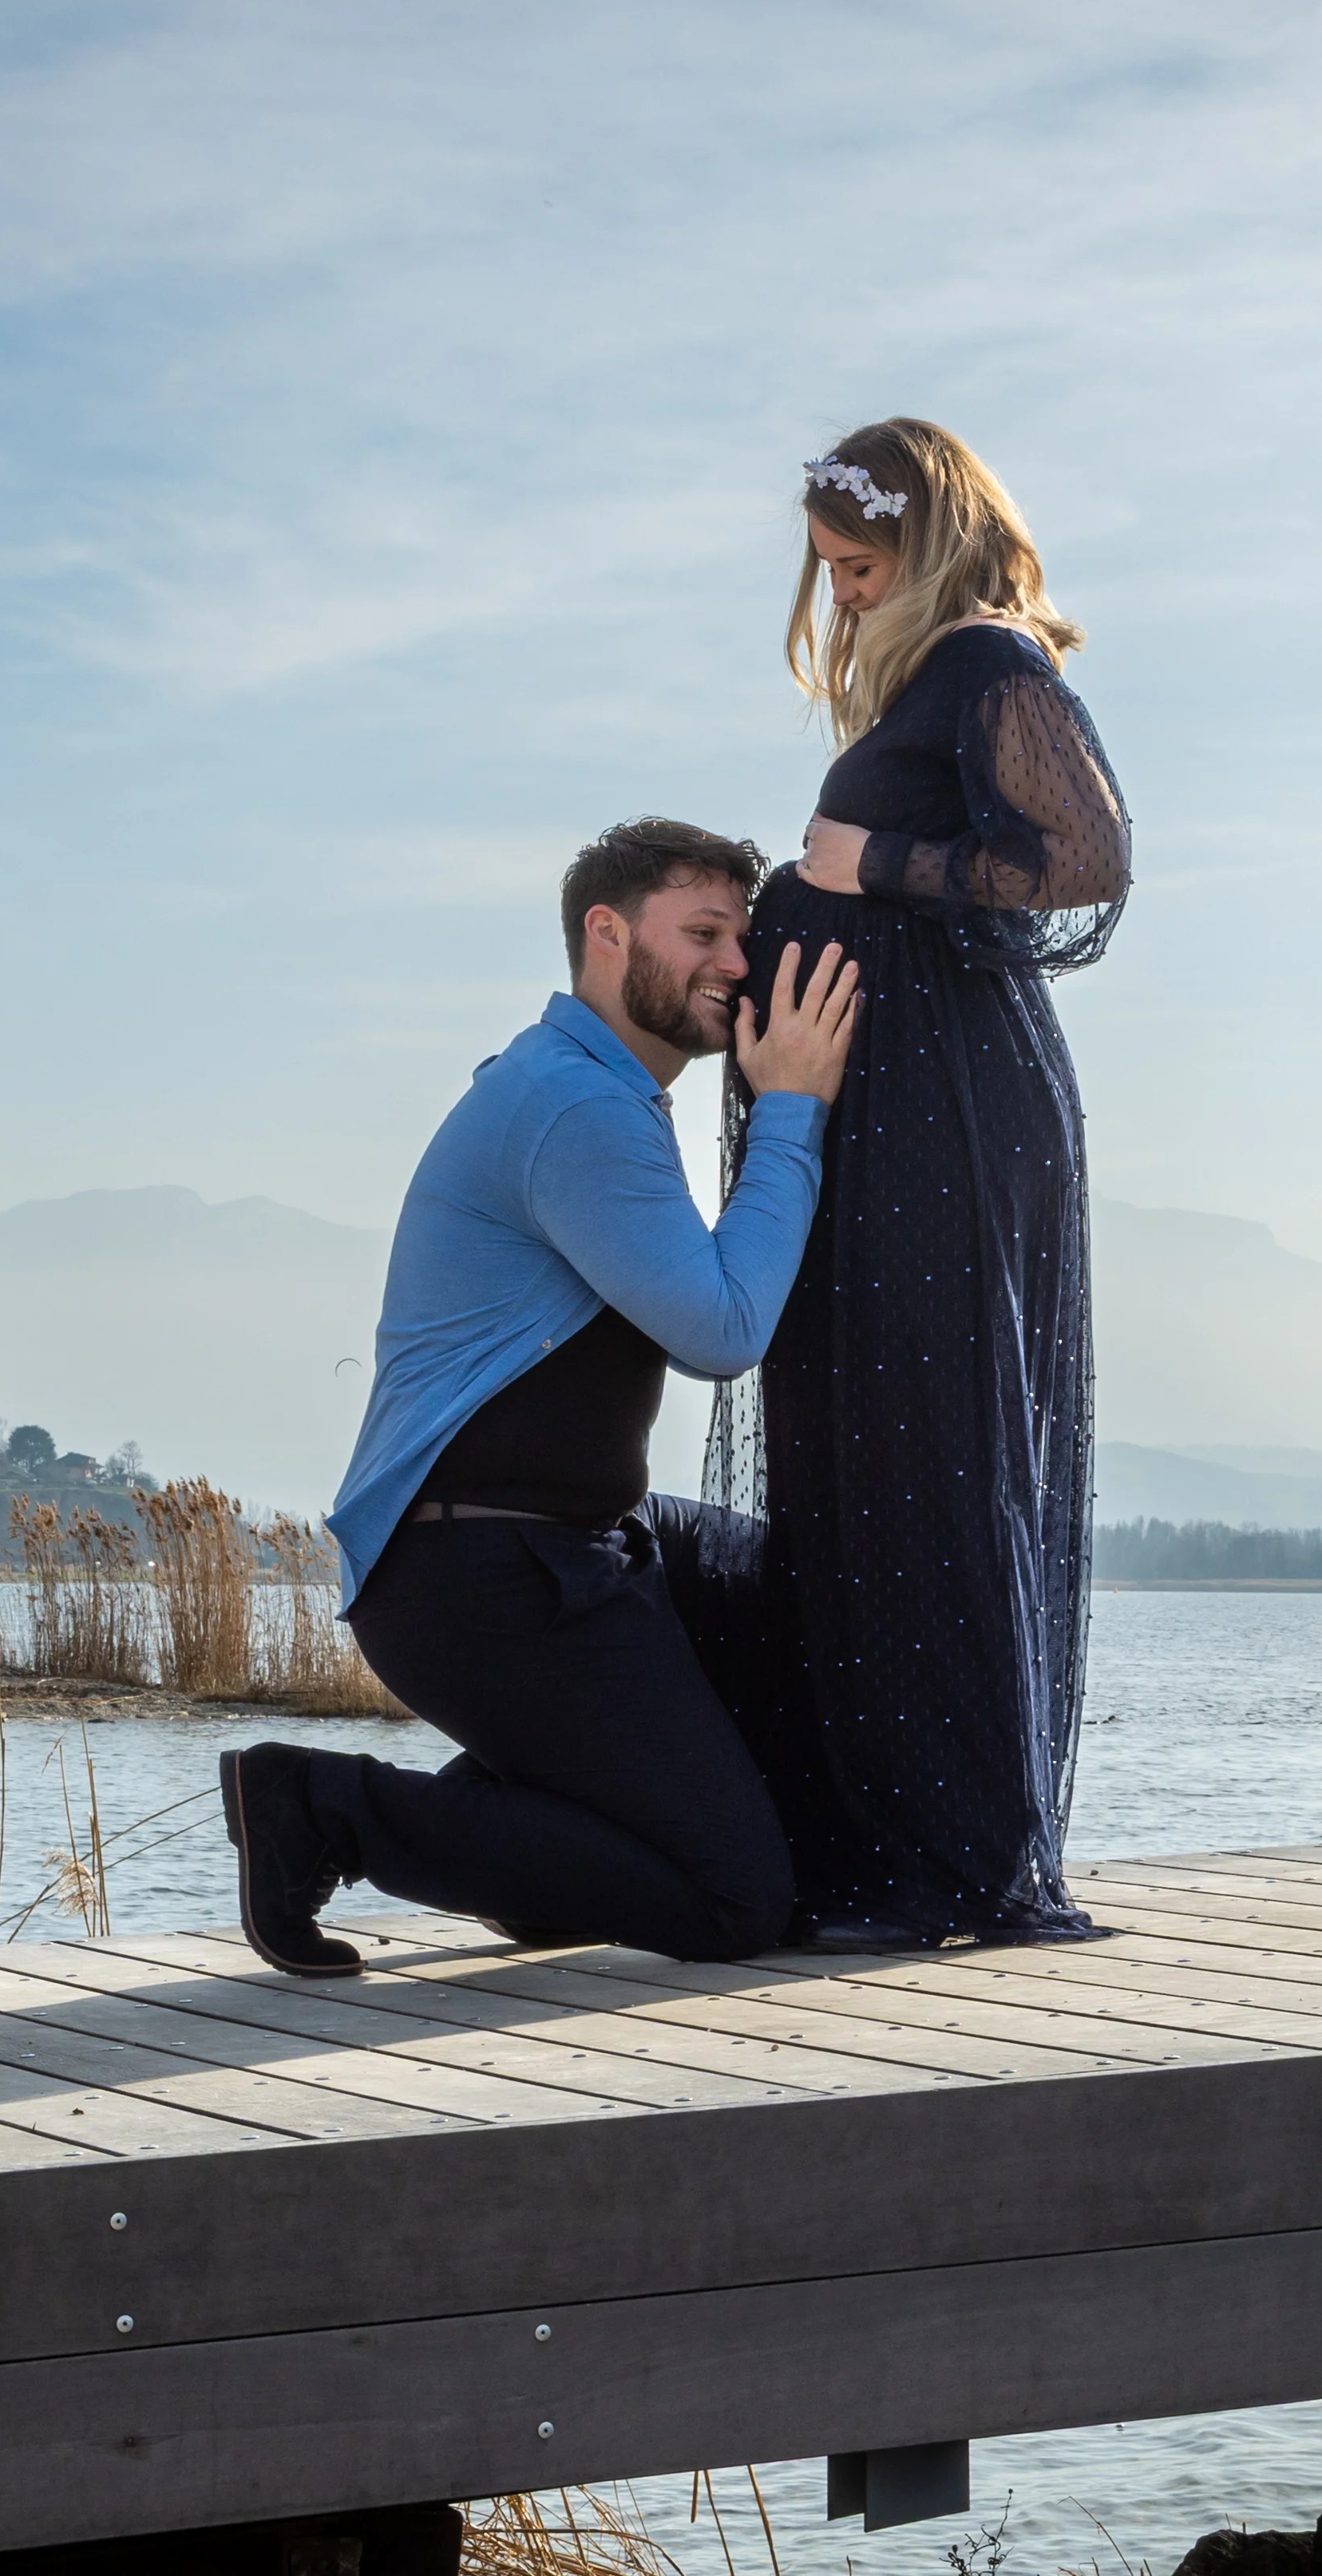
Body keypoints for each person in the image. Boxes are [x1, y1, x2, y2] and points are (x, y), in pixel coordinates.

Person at [216, 820, 858, 1977]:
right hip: (482, 1577)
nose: (735, 964)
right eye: (703, 935)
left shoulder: (583, 1089)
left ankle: (543, 1854)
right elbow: (721, 1332)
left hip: (574, 1550)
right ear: (604, 937)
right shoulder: (576, 1109)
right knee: (732, 1904)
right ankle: (320, 1808)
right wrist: (794, 1113)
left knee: (800, 1598)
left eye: (742, 938)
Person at [707, 417, 1132, 1948]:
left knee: (924, 1461)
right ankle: (888, 1842)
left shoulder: (988, 662)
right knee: (862, 1464)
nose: (841, 598)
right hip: (884, 1116)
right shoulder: (940, 672)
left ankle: (947, 1862)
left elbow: (1085, 862)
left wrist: (868, 870)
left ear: (936, 537)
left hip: (943, 1122)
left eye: (861, 565)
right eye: (826, 571)